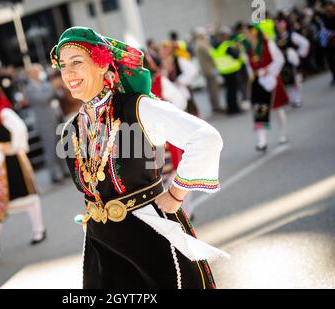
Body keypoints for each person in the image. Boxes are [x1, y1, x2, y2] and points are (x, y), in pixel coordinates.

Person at [52, 26, 228, 289]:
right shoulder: (71, 129)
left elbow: (206, 138)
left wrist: (176, 194)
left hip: (150, 237)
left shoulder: (138, 107)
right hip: (102, 247)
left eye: (77, 62)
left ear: (102, 64)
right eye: (63, 65)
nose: (68, 73)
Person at [0, 83, 46, 257]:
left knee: (26, 195)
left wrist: (13, 147)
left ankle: (39, 230)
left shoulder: (4, 113)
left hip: (12, 163)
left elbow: (20, 129)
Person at [244, 25, 289, 152]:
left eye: (248, 33)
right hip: (258, 82)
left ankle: (283, 134)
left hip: (272, 79)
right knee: (259, 111)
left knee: (278, 109)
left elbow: (279, 59)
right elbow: (249, 67)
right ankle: (262, 141)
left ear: (254, 33)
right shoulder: (248, 50)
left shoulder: (267, 44)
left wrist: (268, 70)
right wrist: (254, 77)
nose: (246, 36)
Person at [26, 64, 69, 184]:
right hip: (44, 123)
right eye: (37, 71)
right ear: (32, 74)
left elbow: (57, 96)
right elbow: (43, 99)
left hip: (56, 118)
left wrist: (59, 88)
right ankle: (55, 175)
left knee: (60, 147)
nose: (40, 73)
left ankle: (65, 171)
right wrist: (53, 86)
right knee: (50, 149)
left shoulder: (44, 83)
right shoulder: (30, 88)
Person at [276, 19, 310, 107]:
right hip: (284, 62)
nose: (279, 29)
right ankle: (292, 98)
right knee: (288, 81)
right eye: (278, 27)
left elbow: (305, 43)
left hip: (293, 60)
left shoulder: (292, 35)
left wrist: (299, 54)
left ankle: (298, 98)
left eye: (281, 27)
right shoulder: (276, 38)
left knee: (296, 80)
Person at [211, 28, 243, 115]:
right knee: (233, 91)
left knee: (229, 91)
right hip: (232, 70)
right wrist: (238, 48)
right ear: (224, 36)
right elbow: (235, 56)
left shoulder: (215, 47)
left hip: (223, 71)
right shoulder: (226, 46)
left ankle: (230, 109)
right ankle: (234, 109)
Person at [194, 27, 225, 114]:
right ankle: (217, 107)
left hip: (206, 70)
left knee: (211, 89)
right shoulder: (202, 45)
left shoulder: (199, 44)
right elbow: (211, 55)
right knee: (214, 89)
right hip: (209, 70)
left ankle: (215, 106)